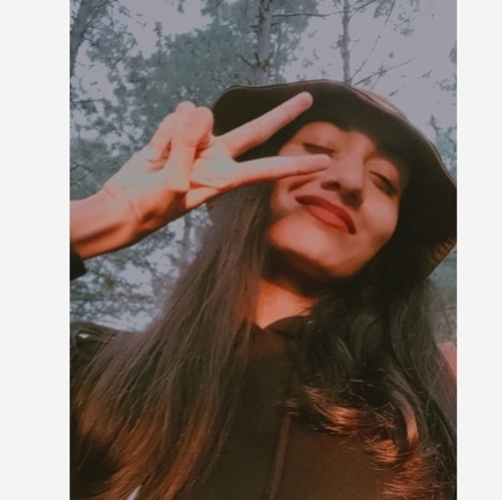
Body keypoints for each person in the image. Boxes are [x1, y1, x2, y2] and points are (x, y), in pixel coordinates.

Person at [70, 80, 456, 500]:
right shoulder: (91, 379)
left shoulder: (429, 420)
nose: (349, 180)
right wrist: (95, 220)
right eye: (318, 149)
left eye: (384, 180)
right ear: (250, 175)